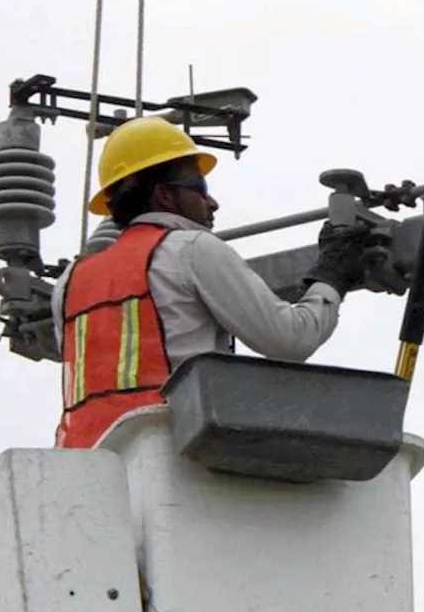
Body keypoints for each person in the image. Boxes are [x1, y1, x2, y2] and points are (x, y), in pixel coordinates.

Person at [51, 115, 373, 449]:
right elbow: (291, 339)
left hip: (86, 464)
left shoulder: (69, 282)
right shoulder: (191, 250)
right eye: (199, 188)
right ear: (163, 195)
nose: (212, 202)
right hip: (169, 457)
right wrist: (331, 273)